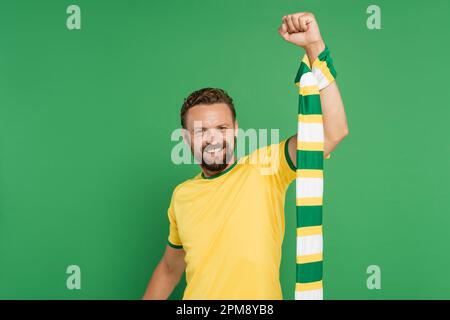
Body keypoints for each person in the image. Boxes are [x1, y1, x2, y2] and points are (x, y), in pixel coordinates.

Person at [143, 12, 348, 300]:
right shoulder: (182, 196)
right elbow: (168, 269)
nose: (213, 138)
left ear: (236, 131)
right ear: (187, 139)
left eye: (222, 128)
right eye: (201, 131)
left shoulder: (266, 169)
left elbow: (331, 133)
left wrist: (314, 47)